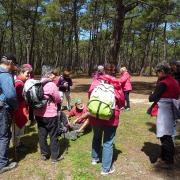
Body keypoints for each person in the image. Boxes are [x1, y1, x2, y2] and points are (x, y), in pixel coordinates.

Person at [88, 63, 125, 176]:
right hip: (111, 118)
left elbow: (90, 95)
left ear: (103, 71)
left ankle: (95, 159)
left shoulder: (96, 81)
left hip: (95, 116)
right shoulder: (116, 84)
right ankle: (105, 169)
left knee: (96, 136)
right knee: (108, 142)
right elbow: (122, 101)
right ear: (115, 72)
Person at [149, 61, 180, 169]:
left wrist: (151, 95)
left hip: (165, 111)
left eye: (157, 72)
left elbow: (152, 98)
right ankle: (165, 157)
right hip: (172, 109)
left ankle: (168, 161)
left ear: (162, 71)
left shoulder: (164, 83)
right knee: (168, 135)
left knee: (165, 136)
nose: (157, 74)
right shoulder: (174, 81)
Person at [34, 65, 63, 163]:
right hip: (50, 114)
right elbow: (58, 99)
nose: (55, 76)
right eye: (53, 74)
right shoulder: (51, 85)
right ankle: (54, 157)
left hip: (38, 113)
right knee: (53, 135)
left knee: (42, 135)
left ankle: (45, 154)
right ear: (49, 74)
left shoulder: (37, 83)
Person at [0, 54, 18, 174]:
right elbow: (11, 95)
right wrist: (15, 106)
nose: (14, 67)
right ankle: (2, 164)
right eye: (14, 65)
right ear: (10, 63)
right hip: (3, 109)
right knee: (4, 135)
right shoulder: (5, 75)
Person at [12, 65, 31, 152]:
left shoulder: (21, 82)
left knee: (20, 128)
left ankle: (18, 143)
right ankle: (16, 146)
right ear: (21, 73)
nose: (29, 75)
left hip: (21, 109)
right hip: (18, 110)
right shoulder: (18, 83)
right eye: (27, 73)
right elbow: (15, 98)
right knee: (17, 129)